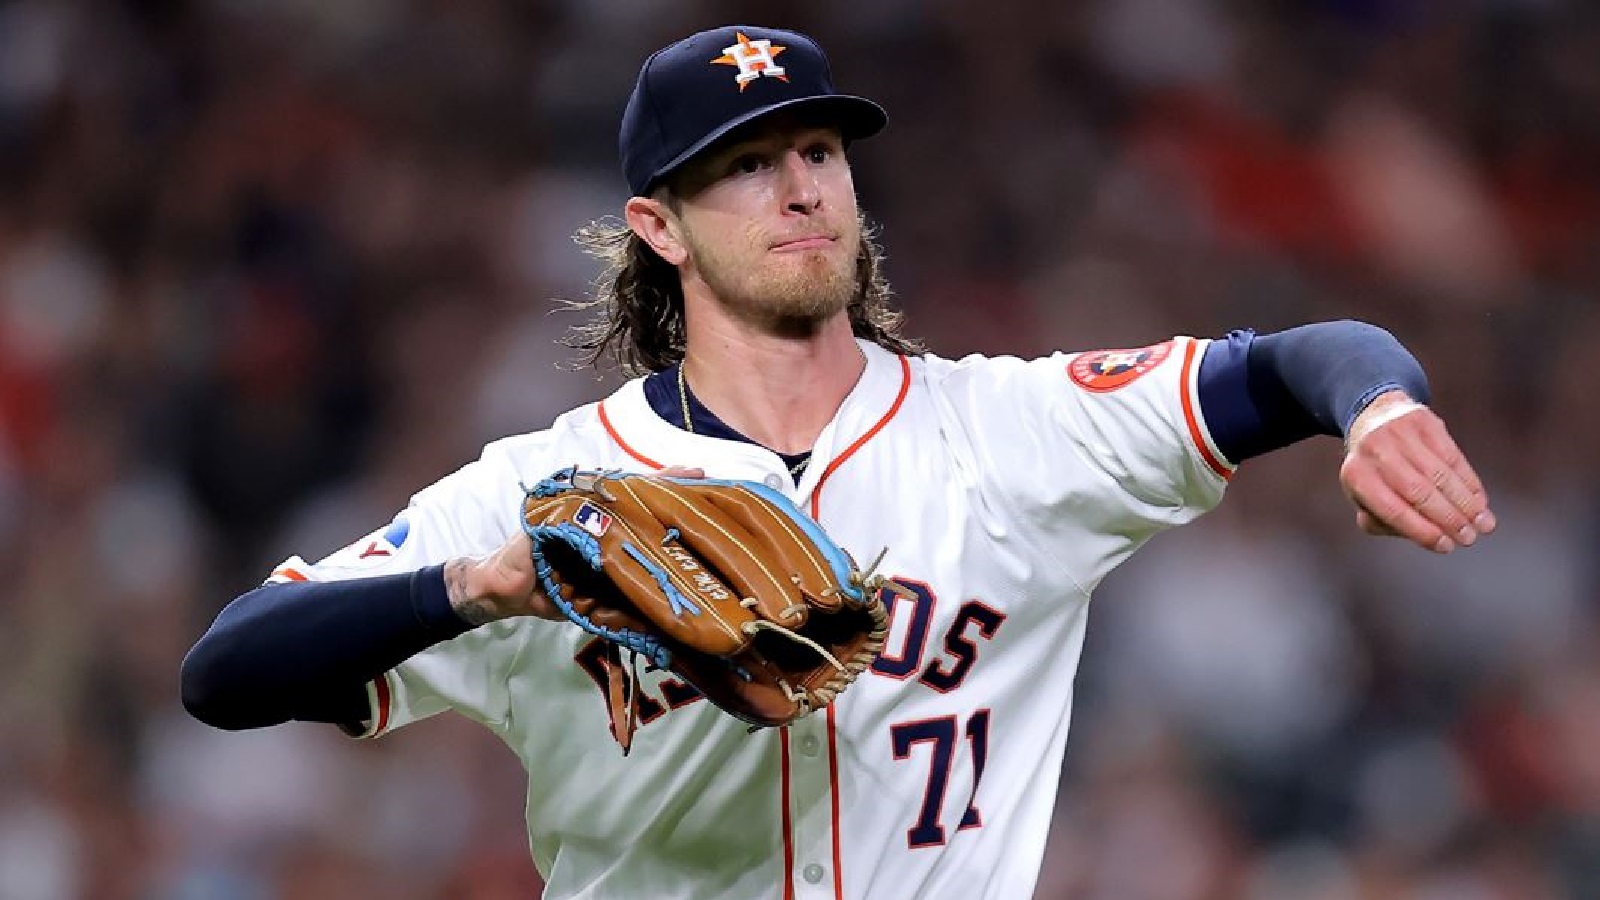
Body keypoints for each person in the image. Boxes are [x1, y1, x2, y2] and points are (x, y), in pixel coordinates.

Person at [180, 24, 1496, 900]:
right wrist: (482, 585)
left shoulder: (1007, 430)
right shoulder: (539, 492)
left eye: (817, 150)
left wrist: (1376, 409)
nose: (802, 185)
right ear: (662, 227)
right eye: (746, 166)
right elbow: (228, 669)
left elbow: (1306, 356)